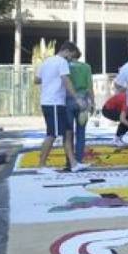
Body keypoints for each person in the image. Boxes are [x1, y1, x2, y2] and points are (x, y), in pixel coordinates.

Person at [35, 41, 86, 173]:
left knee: (68, 132)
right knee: (52, 134)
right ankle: (41, 165)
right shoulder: (62, 62)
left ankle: (74, 164)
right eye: (71, 55)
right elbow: (66, 81)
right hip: (54, 102)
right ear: (67, 51)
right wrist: (77, 99)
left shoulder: (46, 62)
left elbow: (36, 80)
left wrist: (49, 78)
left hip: (51, 101)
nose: (71, 59)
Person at [66, 45, 94, 163]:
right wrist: (92, 102)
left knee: (68, 132)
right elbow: (90, 87)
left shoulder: (65, 66)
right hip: (83, 100)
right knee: (81, 132)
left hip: (68, 99)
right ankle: (79, 160)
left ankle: (70, 160)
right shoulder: (86, 67)